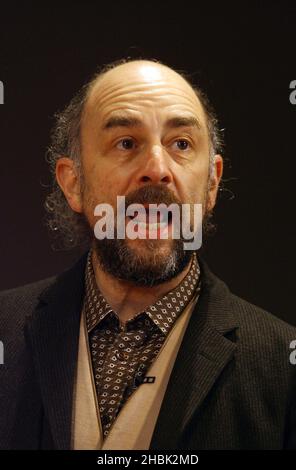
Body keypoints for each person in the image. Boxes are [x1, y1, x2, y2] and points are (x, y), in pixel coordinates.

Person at [0, 58, 295, 450]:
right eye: (126, 143)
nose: (157, 168)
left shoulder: (283, 369)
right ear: (73, 184)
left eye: (182, 144)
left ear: (211, 184)